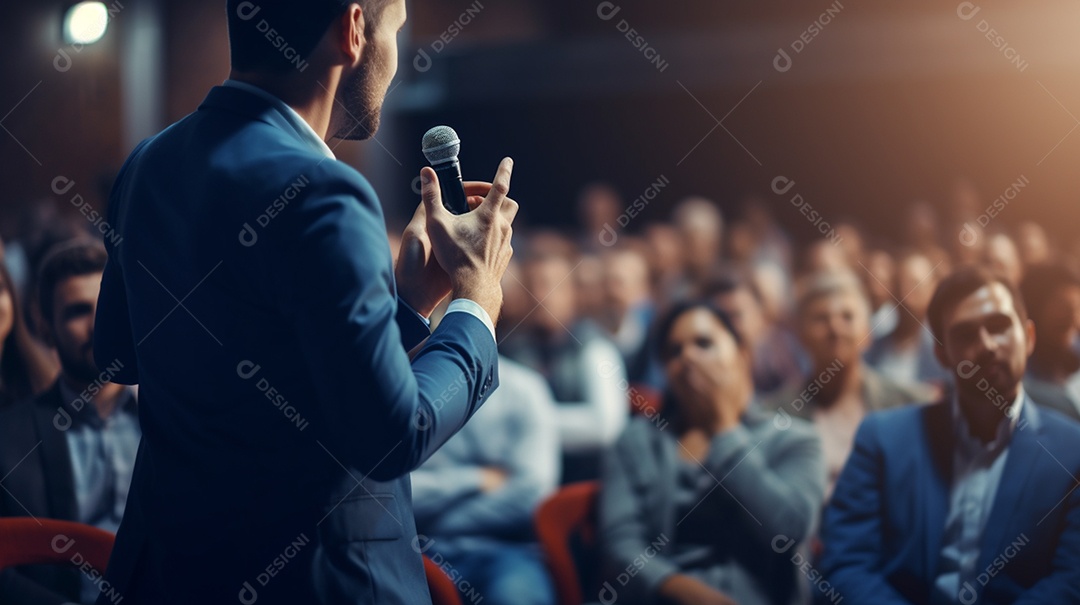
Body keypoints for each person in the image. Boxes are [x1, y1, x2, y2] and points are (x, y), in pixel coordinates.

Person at [92, 0, 517, 602]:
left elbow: (119, 357)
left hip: (169, 572)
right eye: (395, 31)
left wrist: (408, 305)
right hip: (314, 581)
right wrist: (476, 299)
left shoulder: (148, 162)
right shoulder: (323, 191)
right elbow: (394, 436)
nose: (396, 60)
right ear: (353, 30)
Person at [820, 266, 1080, 604]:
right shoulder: (883, 439)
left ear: (1029, 337)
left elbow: (1071, 578)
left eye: (999, 326)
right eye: (965, 334)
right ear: (941, 354)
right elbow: (846, 563)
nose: (986, 345)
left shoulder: (1072, 453)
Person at [598, 301, 825, 605]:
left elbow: (788, 531)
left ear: (742, 354)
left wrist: (723, 428)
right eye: (674, 351)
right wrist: (687, 592)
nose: (688, 357)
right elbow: (621, 544)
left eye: (704, 343)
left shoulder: (793, 440)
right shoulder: (638, 441)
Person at [0, 240, 139, 605]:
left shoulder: (172, 420)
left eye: (107, 307)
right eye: (79, 311)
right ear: (45, 328)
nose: (98, 325)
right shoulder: (9, 437)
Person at [764, 271, 932, 499]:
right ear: (801, 334)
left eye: (848, 317)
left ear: (868, 332)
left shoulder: (910, 405)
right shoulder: (774, 414)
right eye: (821, 319)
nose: (835, 329)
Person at [411, 356, 560, 605]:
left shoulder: (525, 388)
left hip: (505, 549)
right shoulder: (406, 389)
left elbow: (531, 495)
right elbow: (398, 494)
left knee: (515, 598)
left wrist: (436, 516)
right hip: (417, 552)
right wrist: (475, 479)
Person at [500, 250, 627, 484]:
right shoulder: (511, 348)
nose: (541, 295)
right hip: (522, 479)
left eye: (551, 285)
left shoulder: (595, 348)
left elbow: (604, 428)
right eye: (532, 286)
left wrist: (530, 422)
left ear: (572, 294)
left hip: (586, 483)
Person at [1020, 262, 1080, 421]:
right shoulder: (1022, 378)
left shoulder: (1074, 351)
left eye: (1077, 308)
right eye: (1064, 308)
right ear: (1035, 308)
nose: (1073, 319)